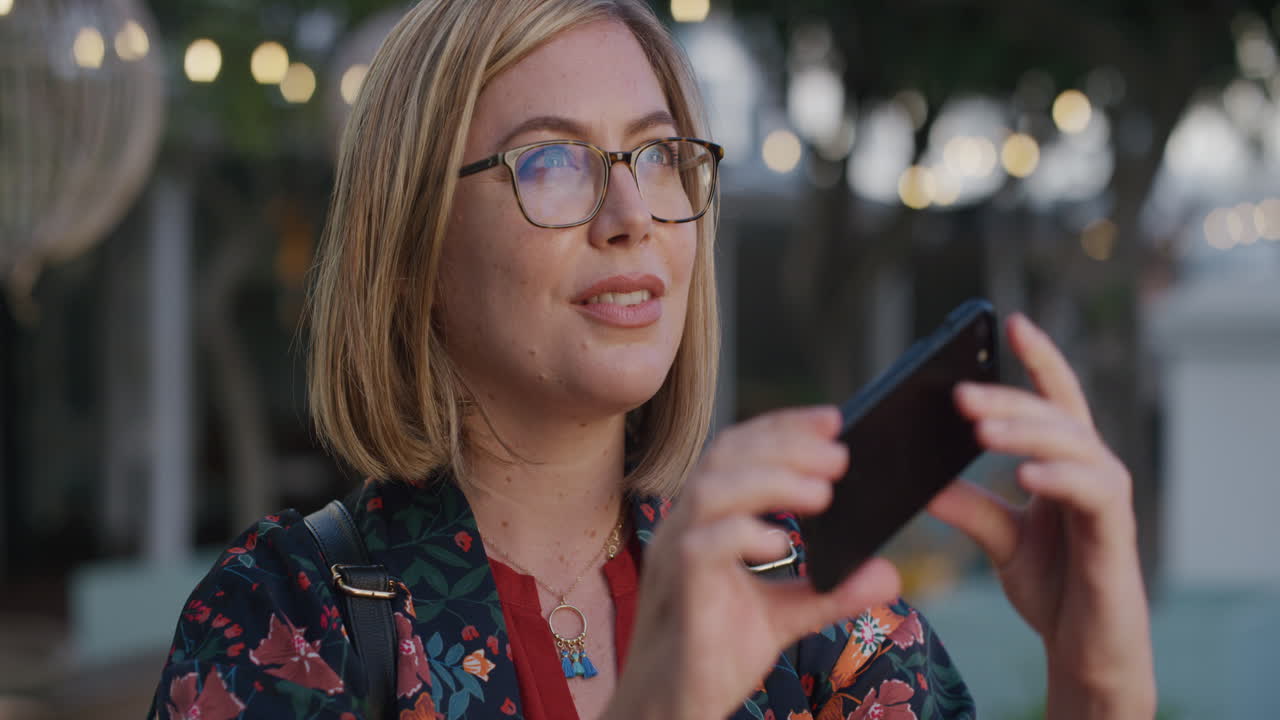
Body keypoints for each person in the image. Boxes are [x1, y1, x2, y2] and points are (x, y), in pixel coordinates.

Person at [149, 1, 1157, 718]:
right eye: (549, 162)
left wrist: (1098, 688)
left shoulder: (811, 607)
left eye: (657, 155)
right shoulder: (287, 618)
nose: (631, 218)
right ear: (415, 255)